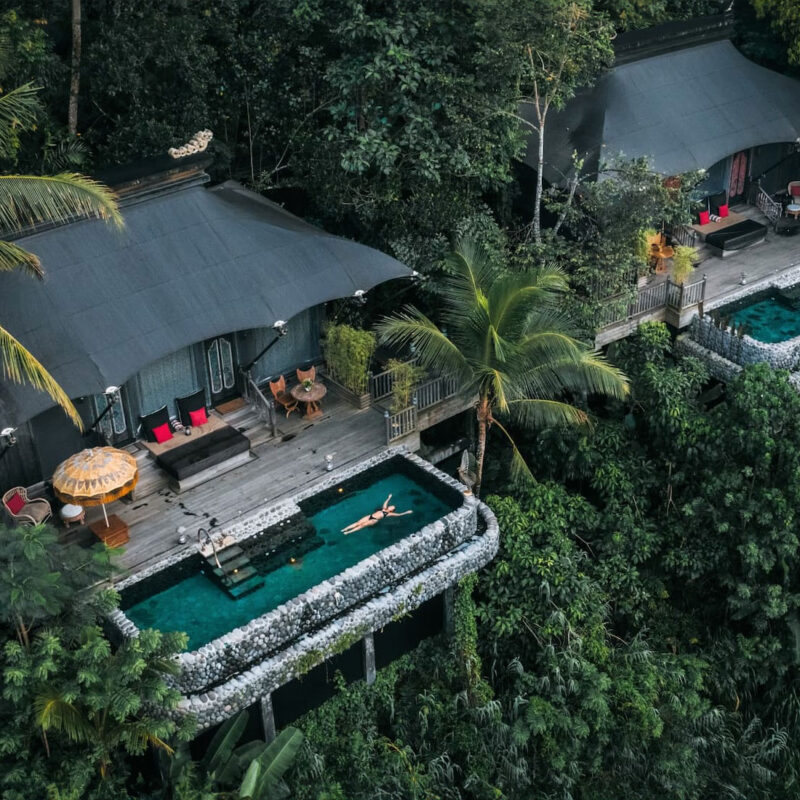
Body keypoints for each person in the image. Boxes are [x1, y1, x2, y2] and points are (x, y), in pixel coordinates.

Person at [342, 493, 412, 534]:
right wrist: (389, 497)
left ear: (392, 510)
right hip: (370, 516)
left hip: (374, 520)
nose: (390, 506)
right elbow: (385, 502)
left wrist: (407, 512)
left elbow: (399, 514)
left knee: (361, 526)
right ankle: (345, 529)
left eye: (392, 507)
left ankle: (348, 532)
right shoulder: (384, 508)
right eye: (391, 506)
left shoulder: (388, 514)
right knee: (358, 523)